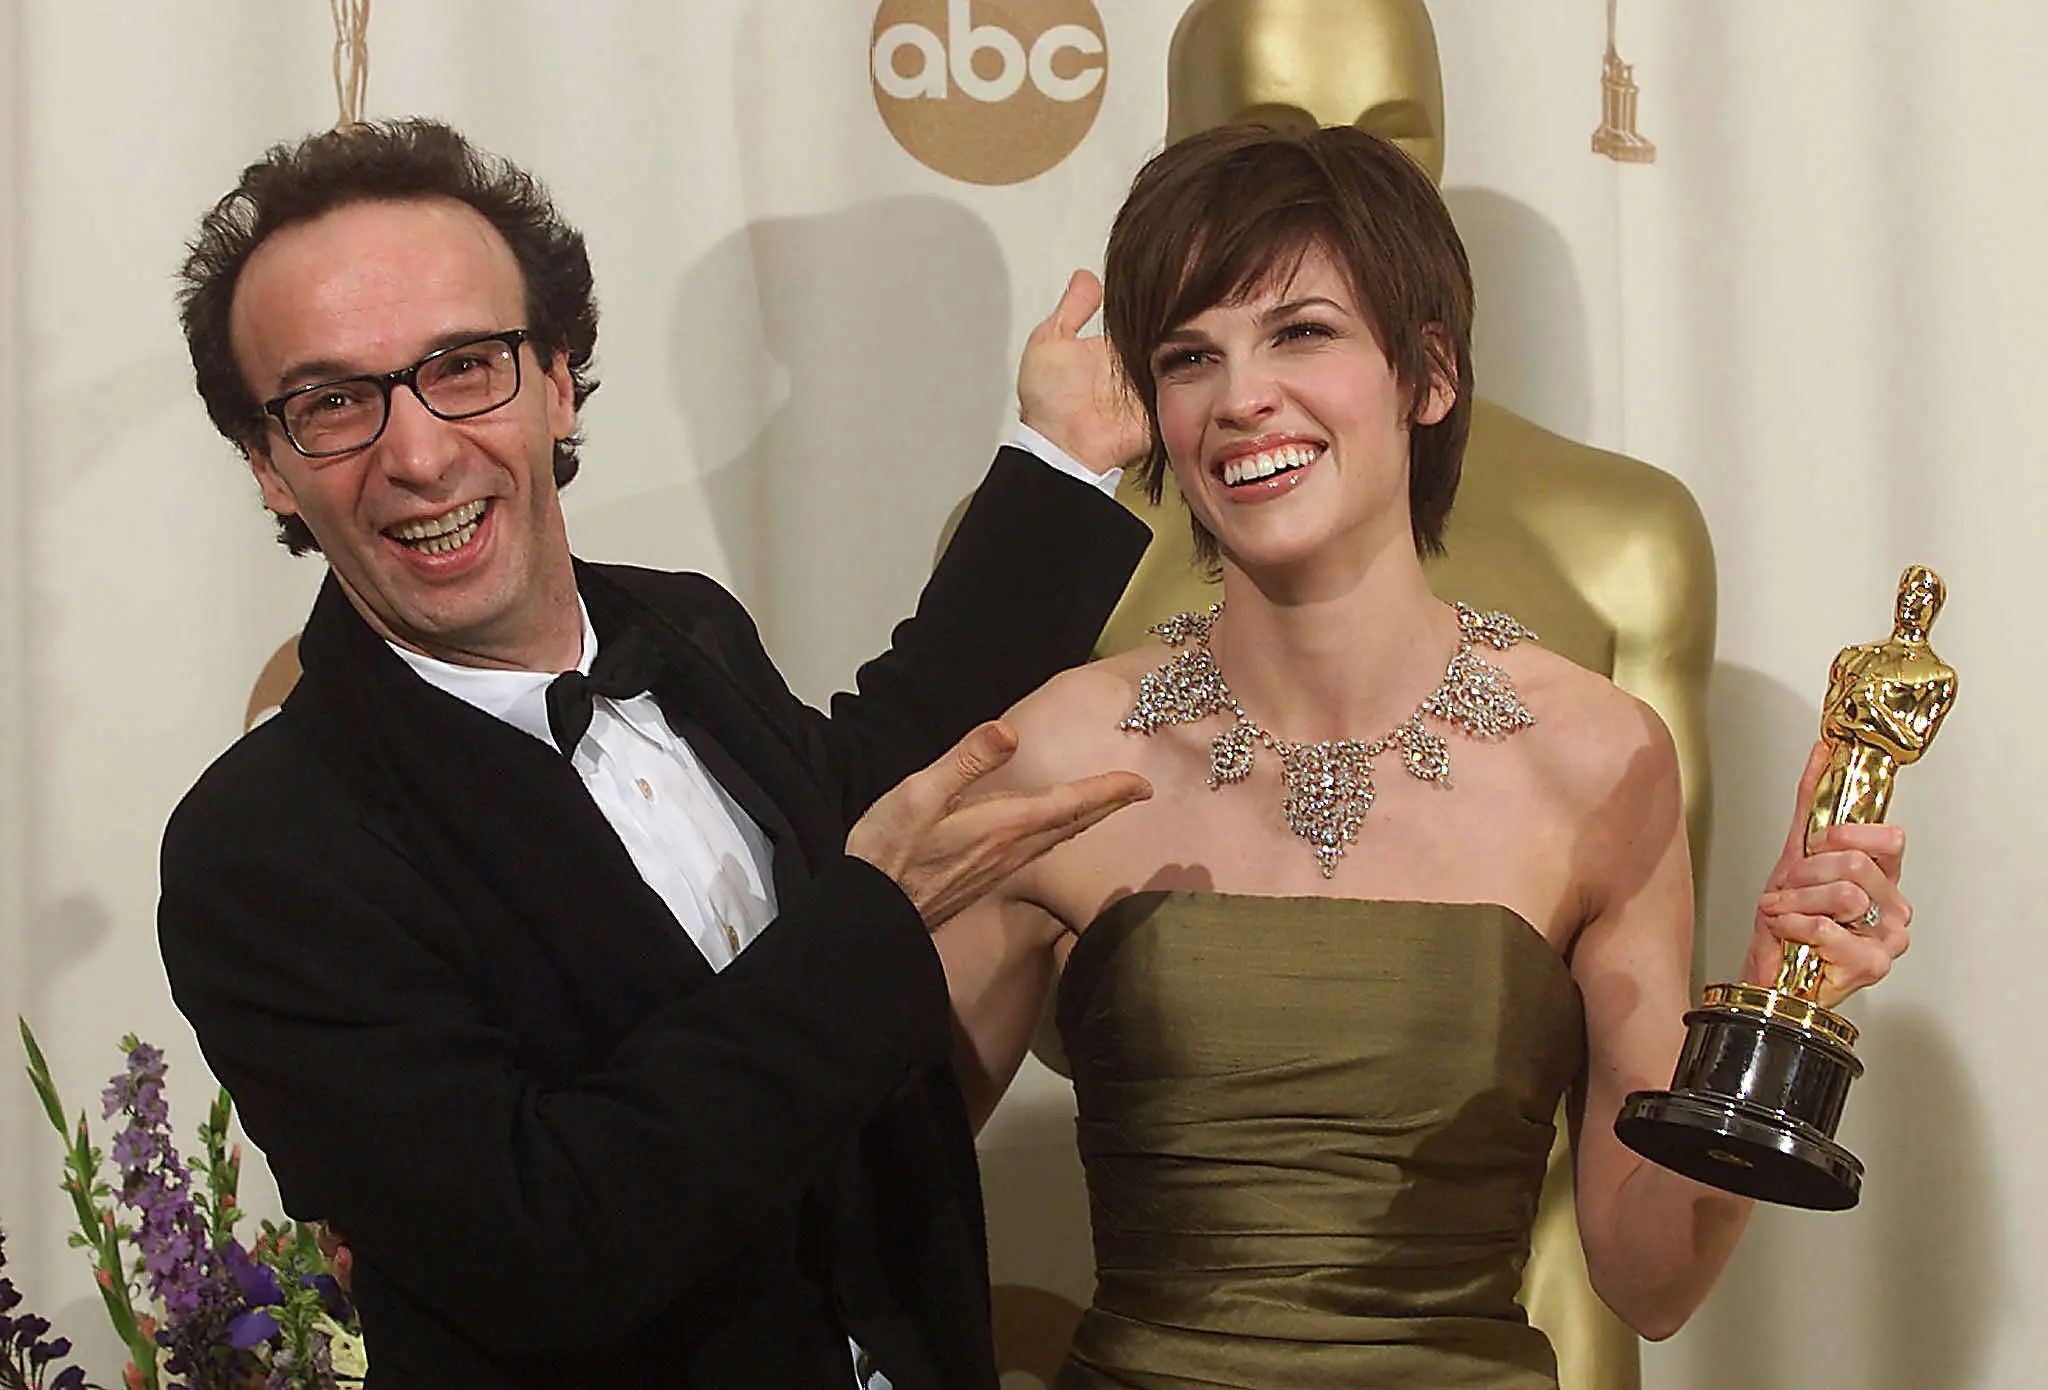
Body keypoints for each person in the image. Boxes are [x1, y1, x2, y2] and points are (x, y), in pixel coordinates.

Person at [155, 118, 1154, 1389]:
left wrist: (1062, 459)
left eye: (464, 365)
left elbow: (872, 785)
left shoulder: (679, 626)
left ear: (559, 378)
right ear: (269, 467)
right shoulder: (263, 848)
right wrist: (870, 922)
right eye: (335, 402)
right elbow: (542, 1242)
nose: (416, 453)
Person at [936, 123, 1914, 1390]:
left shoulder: (1595, 754)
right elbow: (871, 1160)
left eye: (1300, 332)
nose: (1241, 398)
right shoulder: (1058, 742)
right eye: (1190, 355)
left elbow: (1648, 1273)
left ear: (1427, 372)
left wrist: (1779, 995)